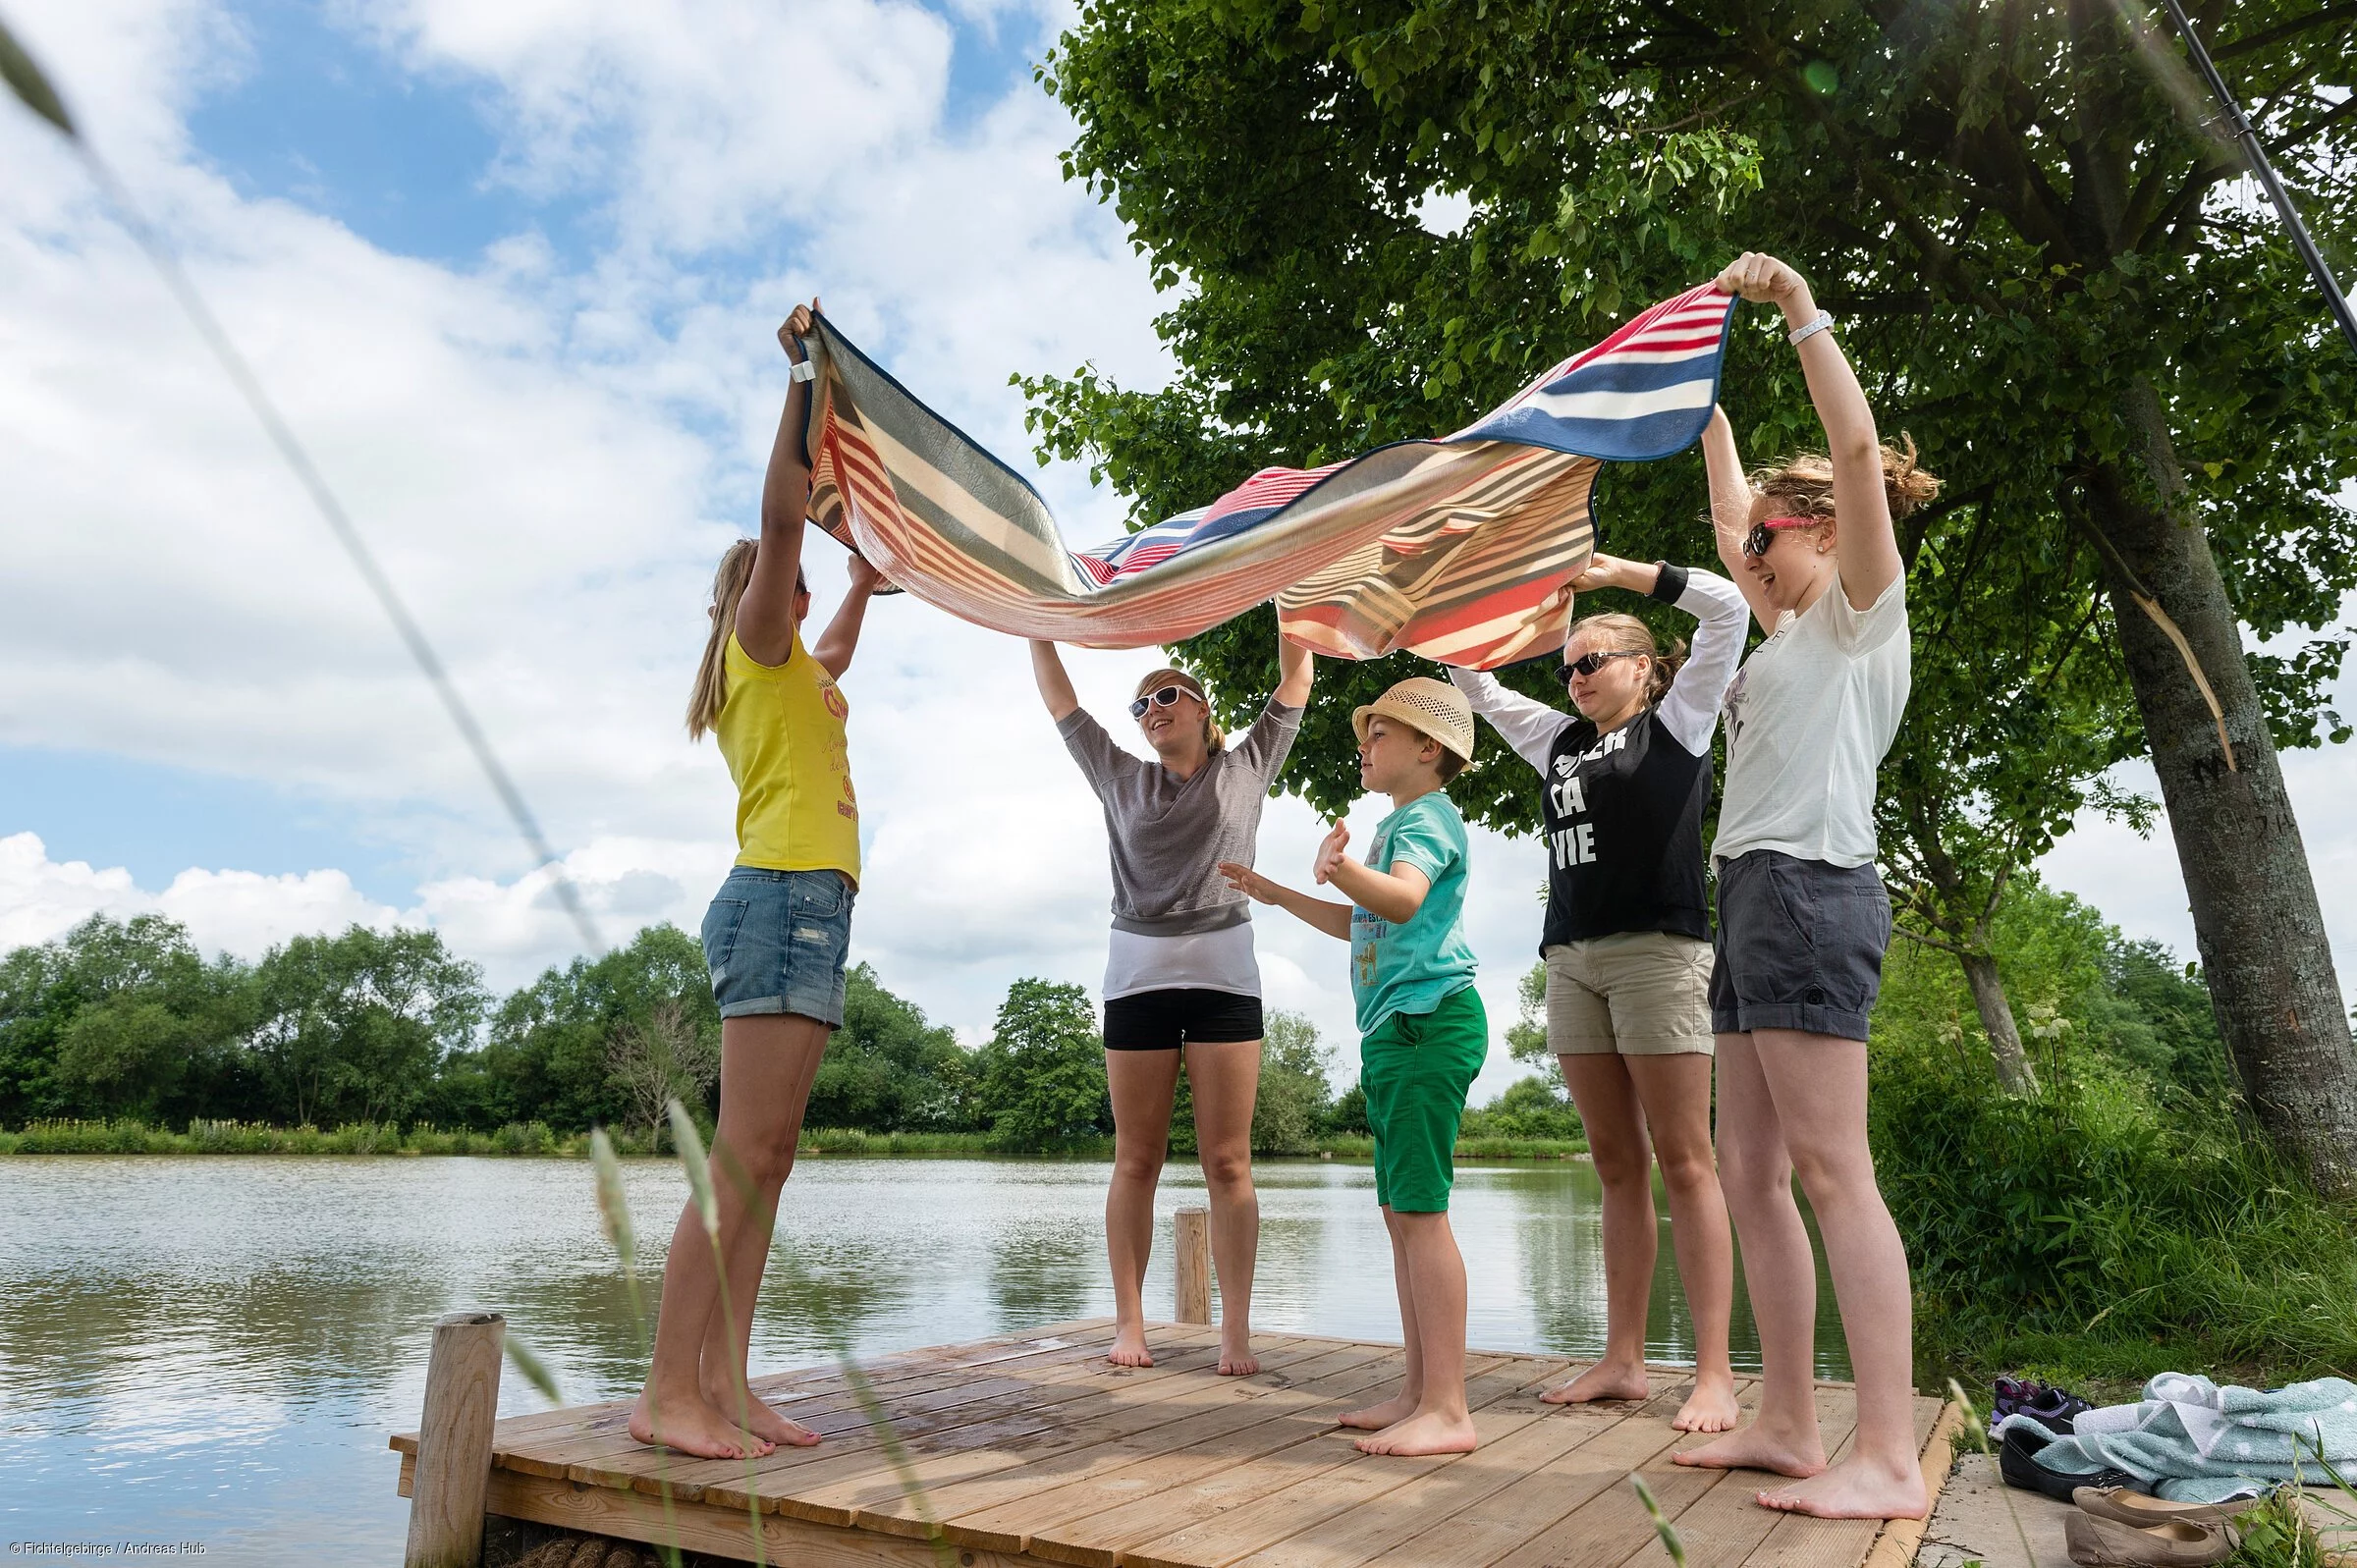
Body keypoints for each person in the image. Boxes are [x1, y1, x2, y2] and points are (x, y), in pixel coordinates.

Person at [1669, 252, 1941, 1519]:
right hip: (1751, 896)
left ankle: (1884, 1453)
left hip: (1811, 892)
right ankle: (1786, 1418)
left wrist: (1796, 313)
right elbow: (1731, 519)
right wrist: (1704, 412)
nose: (1747, 557)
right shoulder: (1781, 639)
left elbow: (1856, 433)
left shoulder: (1858, 615)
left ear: (1823, 530)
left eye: (1769, 540)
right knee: (1748, 1169)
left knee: (1835, 1170)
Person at [630, 299, 888, 1462]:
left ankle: (725, 1381)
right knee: (740, 1158)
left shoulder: (805, 670)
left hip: (811, 909)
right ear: (759, 592)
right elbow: (781, 516)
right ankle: (661, 1393)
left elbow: (838, 649)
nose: (800, 589)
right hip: (777, 899)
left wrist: (864, 586)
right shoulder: (757, 645)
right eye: (789, 580)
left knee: (770, 1162)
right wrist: (806, 385)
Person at [1445, 549, 1749, 1434]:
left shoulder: (1682, 719)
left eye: (1592, 660)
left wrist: (1618, 572)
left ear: (1646, 667)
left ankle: (1717, 1374)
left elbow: (1728, 611)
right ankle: (1622, 1361)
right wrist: (1456, 598)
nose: (1574, 675)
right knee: (1617, 1164)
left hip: (1660, 951)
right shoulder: (1559, 740)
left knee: (1688, 1160)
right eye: (1567, 664)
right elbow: (1471, 681)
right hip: (1572, 959)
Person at [1028, 629, 1314, 1377]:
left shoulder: (1250, 761)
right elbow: (1060, 701)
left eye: (1165, 694)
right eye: (1140, 702)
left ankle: (1237, 1331)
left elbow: (1297, 677)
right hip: (1137, 974)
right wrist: (1037, 623)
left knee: (1228, 1160)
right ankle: (1131, 1322)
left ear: (1202, 708)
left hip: (1224, 974)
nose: (1150, 708)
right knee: (1137, 1157)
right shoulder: (1119, 775)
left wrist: (1290, 582)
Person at [1219, 676, 1485, 1457]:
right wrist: (1279, 893)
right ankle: (1417, 1389)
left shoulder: (1427, 820)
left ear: (1426, 748)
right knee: (1401, 1214)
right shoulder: (1398, 824)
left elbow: (1401, 901)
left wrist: (1339, 869)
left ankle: (1449, 1406)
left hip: (1424, 1025)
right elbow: (1365, 919)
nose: (1362, 747)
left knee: (1422, 1213)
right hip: (1396, 1031)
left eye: (1379, 736)